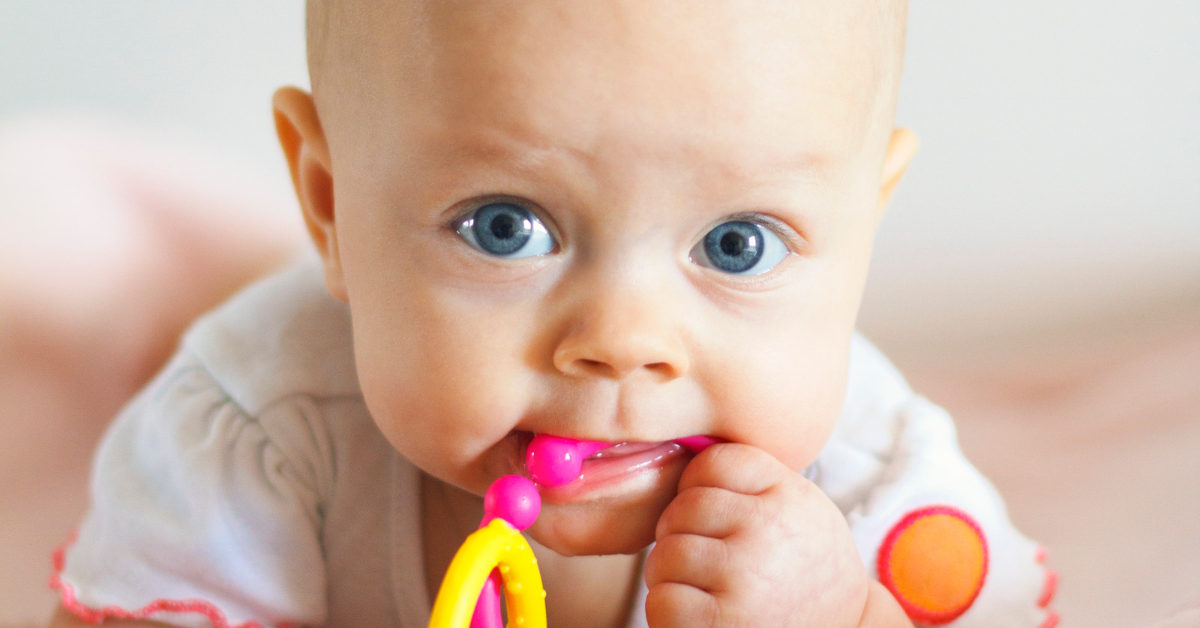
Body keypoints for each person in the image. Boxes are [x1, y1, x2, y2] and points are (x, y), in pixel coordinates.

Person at [47, 1, 1056, 627]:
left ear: (863, 229)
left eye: (737, 243)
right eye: (504, 227)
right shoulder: (260, 434)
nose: (623, 340)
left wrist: (845, 616)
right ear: (332, 205)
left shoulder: (869, 477)